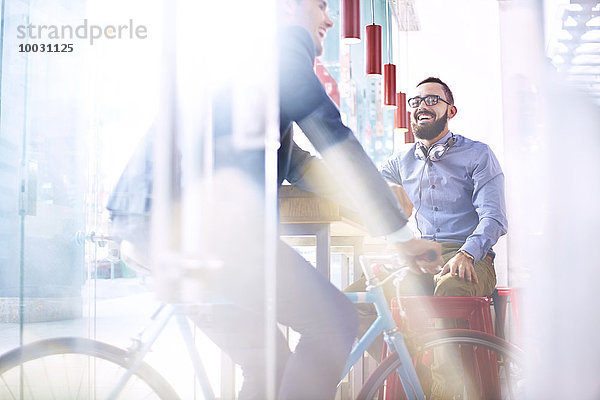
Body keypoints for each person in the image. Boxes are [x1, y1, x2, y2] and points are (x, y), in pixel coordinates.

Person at [191, 2, 444, 400]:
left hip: (182, 231)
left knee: (268, 365)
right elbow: (333, 137)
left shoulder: (257, 73)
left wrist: (375, 199)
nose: (329, 18)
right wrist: (398, 231)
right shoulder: (281, 50)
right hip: (211, 237)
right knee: (334, 320)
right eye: (322, 5)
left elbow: (302, 166)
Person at [353, 76, 507, 399]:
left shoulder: (479, 155)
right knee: (362, 302)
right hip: (423, 256)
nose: (421, 105)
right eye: (416, 101)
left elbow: (494, 218)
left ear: (450, 110)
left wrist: (468, 254)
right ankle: (411, 379)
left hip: (472, 256)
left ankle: (443, 394)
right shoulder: (401, 162)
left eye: (431, 100)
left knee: (449, 289)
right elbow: (369, 192)